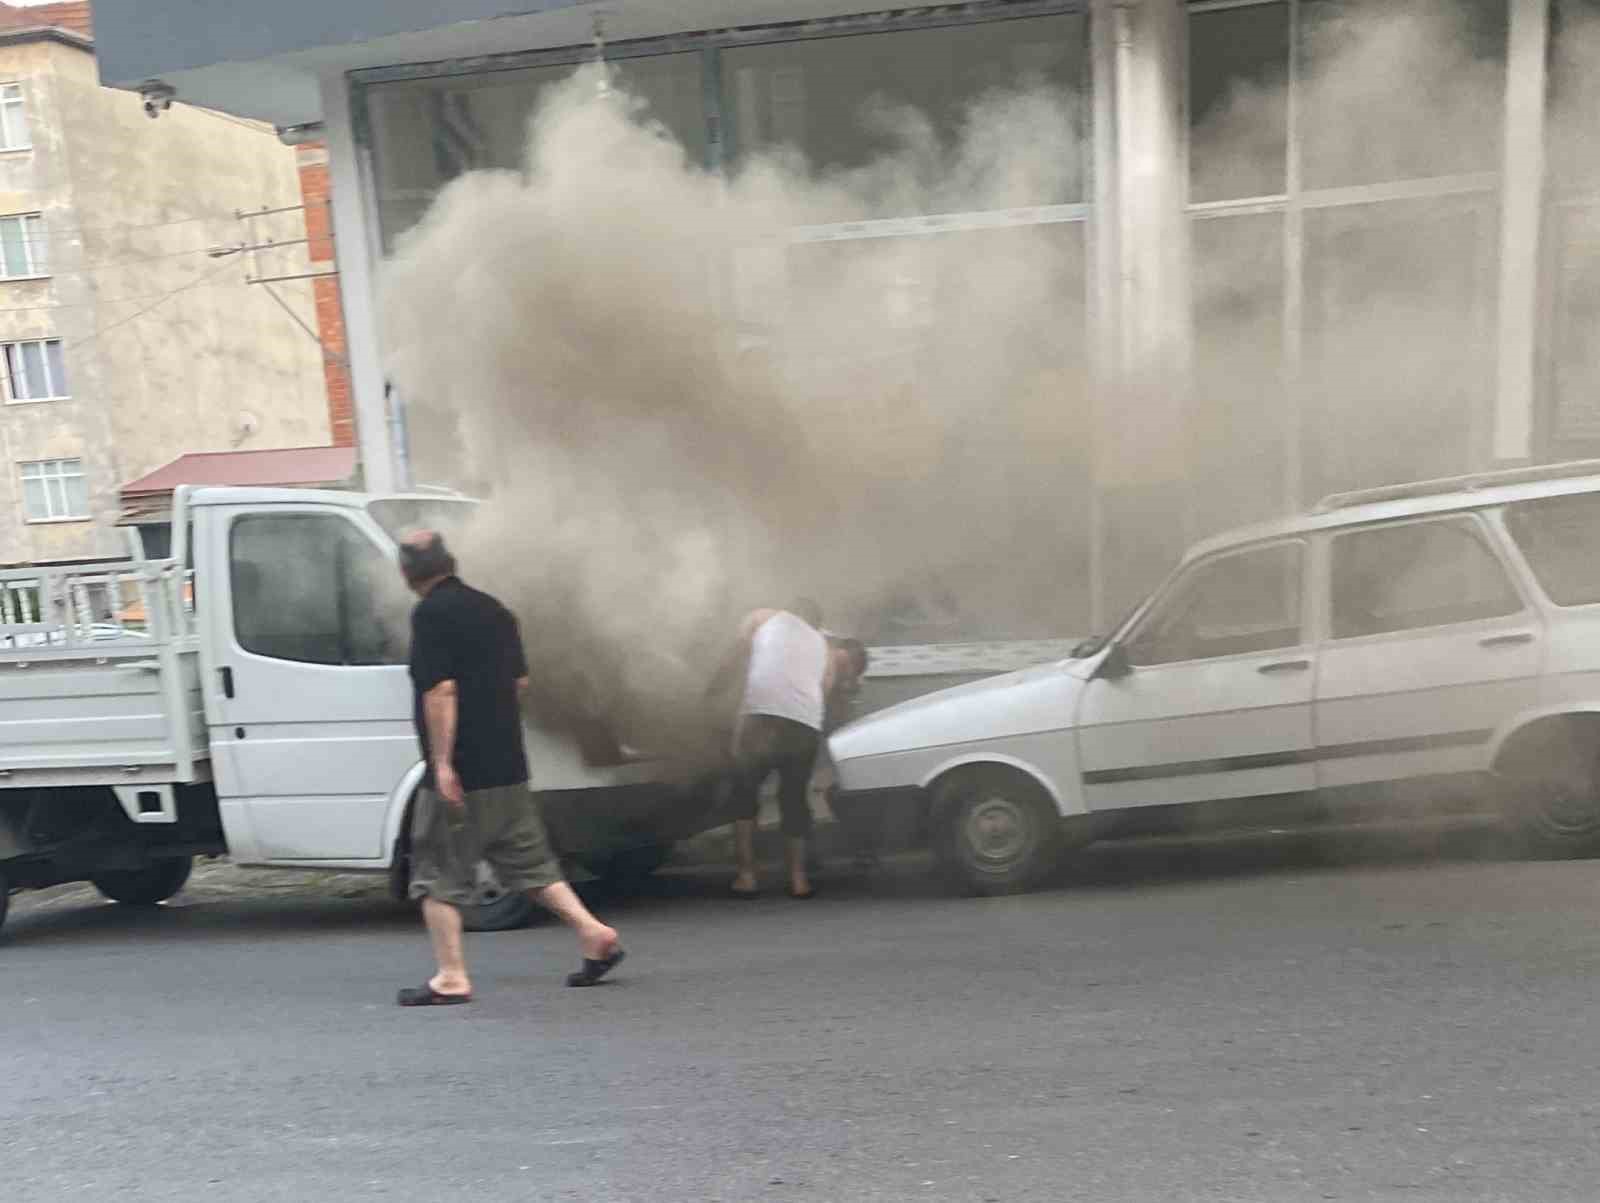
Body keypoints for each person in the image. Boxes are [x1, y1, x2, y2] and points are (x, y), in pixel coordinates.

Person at [395, 530, 623, 1007]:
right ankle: (593, 932)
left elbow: (441, 691)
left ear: (407, 575)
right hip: (508, 763)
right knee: (530, 864)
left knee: (438, 873)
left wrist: (442, 764)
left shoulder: (431, 614)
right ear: (451, 562)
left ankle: (451, 976)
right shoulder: (495, 610)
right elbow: (518, 682)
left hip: (465, 770)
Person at [724, 599, 833, 900]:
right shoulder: (822, 642)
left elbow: (741, 650)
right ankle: (798, 880)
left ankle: (747, 876)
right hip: (803, 722)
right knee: (794, 798)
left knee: (744, 792)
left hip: (762, 714)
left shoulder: (764, 617)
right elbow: (824, 688)